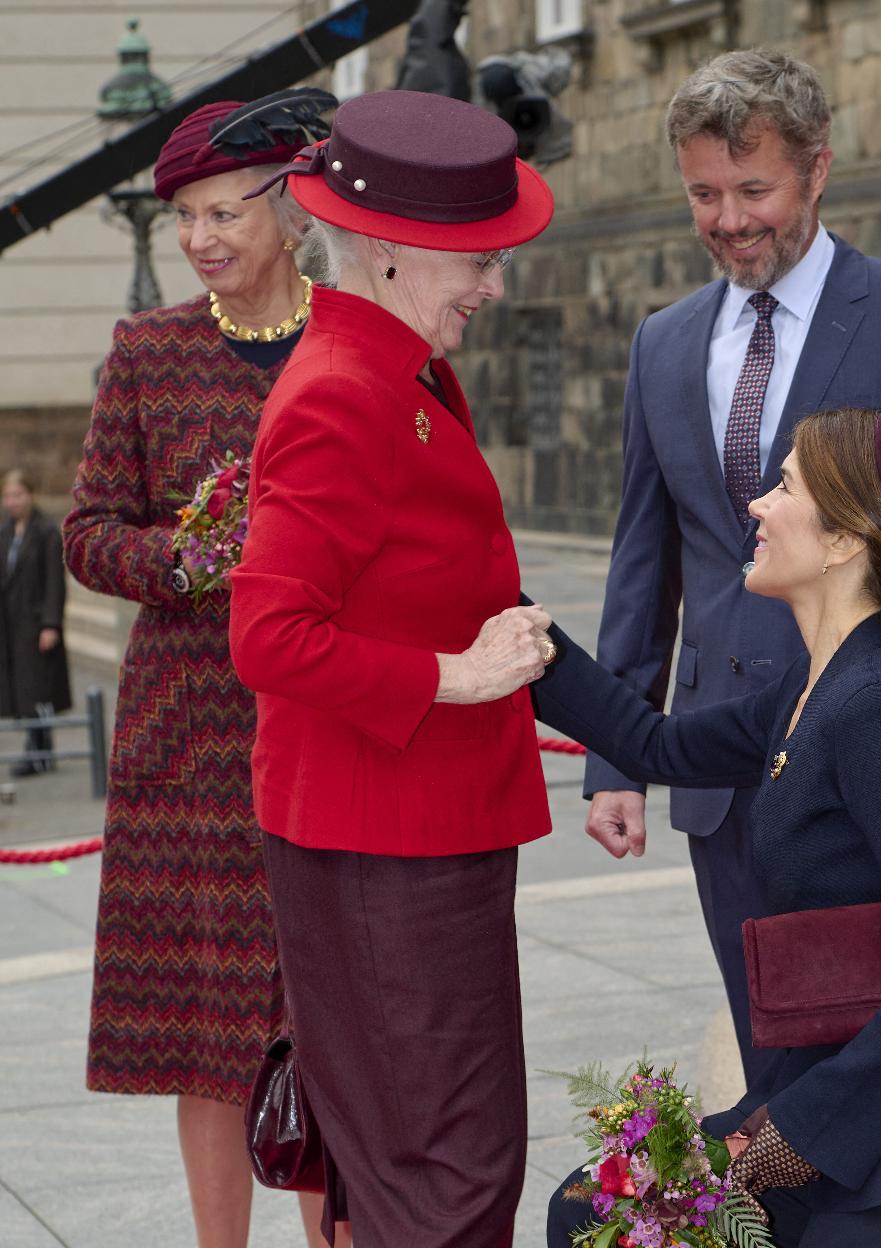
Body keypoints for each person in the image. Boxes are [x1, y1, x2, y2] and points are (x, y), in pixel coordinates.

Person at [582, 47, 881, 1086]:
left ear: (818, 170)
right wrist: (617, 757)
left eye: (755, 189)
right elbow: (642, 557)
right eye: (704, 193)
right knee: (767, 1053)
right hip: (723, 774)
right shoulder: (662, 343)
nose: (730, 218)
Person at [538, 408, 881, 1248]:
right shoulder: (818, 680)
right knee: (585, 1209)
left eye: (783, 485)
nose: (755, 505)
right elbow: (656, 742)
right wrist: (523, 632)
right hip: (848, 1106)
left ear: (842, 542)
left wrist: (804, 1127)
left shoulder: (875, 706)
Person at [227, 90, 557, 1247]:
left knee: (416, 1168)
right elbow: (268, 635)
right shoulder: (345, 392)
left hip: (414, 832)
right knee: (447, 1178)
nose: (493, 283)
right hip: (388, 844)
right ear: (381, 250)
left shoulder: (396, 367)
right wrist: (452, 677)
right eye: (475, 257)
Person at [62, 92, 343, 1248]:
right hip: (188, 743)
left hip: (331, 722)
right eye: (185, 217)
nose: (202, 237)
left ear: (290, 209)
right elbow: (88, 531)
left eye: (224, 211)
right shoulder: (149, 352)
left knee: (336, 1024)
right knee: (208, 1030)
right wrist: (187, 557)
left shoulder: (363, 339)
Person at [0, 468, 71, 776]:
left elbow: (55, 582)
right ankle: (33, 747)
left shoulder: (45, 532)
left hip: (36, 624)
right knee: (22, 688)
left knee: (38, 689)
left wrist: (50, 624)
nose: (12, 501)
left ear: (30, 495)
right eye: (7, 496)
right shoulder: (5, 532)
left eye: (18, 494)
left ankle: (40, 752)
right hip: (11, 625)